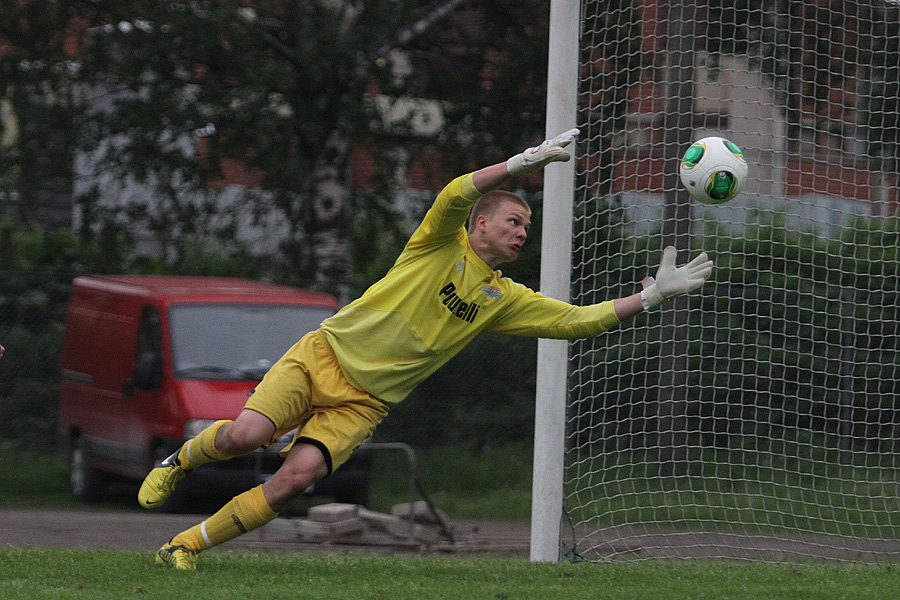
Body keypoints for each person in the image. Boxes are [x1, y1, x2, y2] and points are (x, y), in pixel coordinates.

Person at [140, 129, 714, 569]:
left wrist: (653, 295)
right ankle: (179, 460)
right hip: (324, 356)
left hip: (361, 404)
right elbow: (453, 191)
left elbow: (576, 322)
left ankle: (183, 547)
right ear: (480, 224)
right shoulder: (437, 244)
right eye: (514, 221)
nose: (521, 233)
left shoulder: (501, 298)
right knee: (246, 436)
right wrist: (525, 162)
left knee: (293, 481)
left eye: (526, 227)